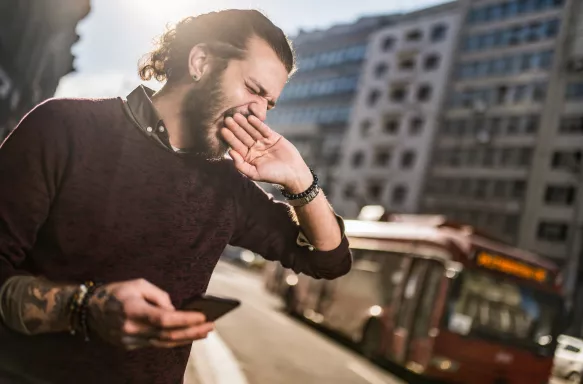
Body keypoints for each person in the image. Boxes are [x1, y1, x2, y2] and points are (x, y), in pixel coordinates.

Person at [0, 9, 351, 384]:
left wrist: (299, 180)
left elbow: (329, 260)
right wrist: (83, 308)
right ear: (200, 62)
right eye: (254, 89)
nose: (260, 115)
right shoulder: (62, 127)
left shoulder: (228, 186)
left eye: (270, 103)